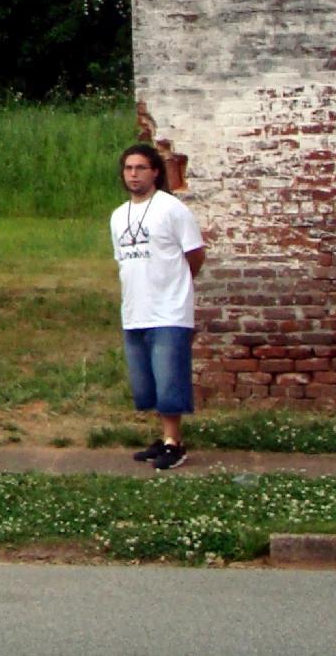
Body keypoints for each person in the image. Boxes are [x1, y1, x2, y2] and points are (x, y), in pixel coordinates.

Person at [112, 141, 204, 471]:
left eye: (140, 168)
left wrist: (178, 284)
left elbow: (195, 255)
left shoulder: (171, 209)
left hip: (169, 307)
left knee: (169, 377)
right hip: (136, 308)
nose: (133, 175)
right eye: (128, 168)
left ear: (155, 172)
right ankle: (160, 436)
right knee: (146, 381)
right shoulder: (119, 215)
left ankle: (173, 442)